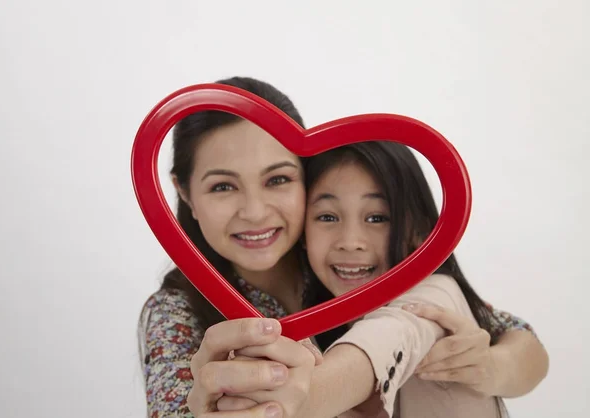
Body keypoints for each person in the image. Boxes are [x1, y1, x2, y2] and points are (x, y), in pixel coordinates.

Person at [138, 76, 548, 417]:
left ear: (305, 179)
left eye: (278, 179)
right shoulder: (176, 310)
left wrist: (491, 365)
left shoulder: (340, 259)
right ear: (185, 193)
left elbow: (516, 337)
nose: (255, 211)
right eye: (223, 186)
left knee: (433, 294)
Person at [214, 141, 547, 417]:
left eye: (377, 218)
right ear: (304, 231)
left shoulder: (436, 294)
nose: (350, 240)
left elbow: (393, 334)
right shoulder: (306, 309)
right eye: (327, 217)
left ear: (418, 232)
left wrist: (303, 397)